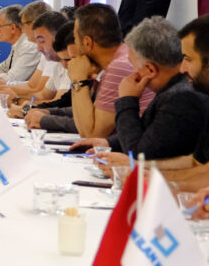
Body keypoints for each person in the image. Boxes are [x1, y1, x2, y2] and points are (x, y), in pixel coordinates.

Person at [70, 17, 208, 161]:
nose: (183, 67)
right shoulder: (174, 89)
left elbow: (139, 156)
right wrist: (108, 143)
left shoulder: (181, 98)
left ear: (150, 70)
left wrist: (127, 100)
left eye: (133, 65)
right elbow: (150, 135)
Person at [67, 3, 154, 138]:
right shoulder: (123, 56)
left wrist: (77, 79)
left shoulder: (119, 67)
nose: (75, 44)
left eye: (75, 38)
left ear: (87, 42)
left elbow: (91, 134)